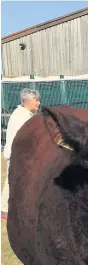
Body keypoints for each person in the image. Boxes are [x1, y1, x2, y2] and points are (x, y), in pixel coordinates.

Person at [2, 88, 41, 216]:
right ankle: (4, 210)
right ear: (27, 101)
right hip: (18, 156)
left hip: (24, 155)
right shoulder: (20, 116)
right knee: (13, 181)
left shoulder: (26, 115)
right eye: (36, 100)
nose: (38, 103)